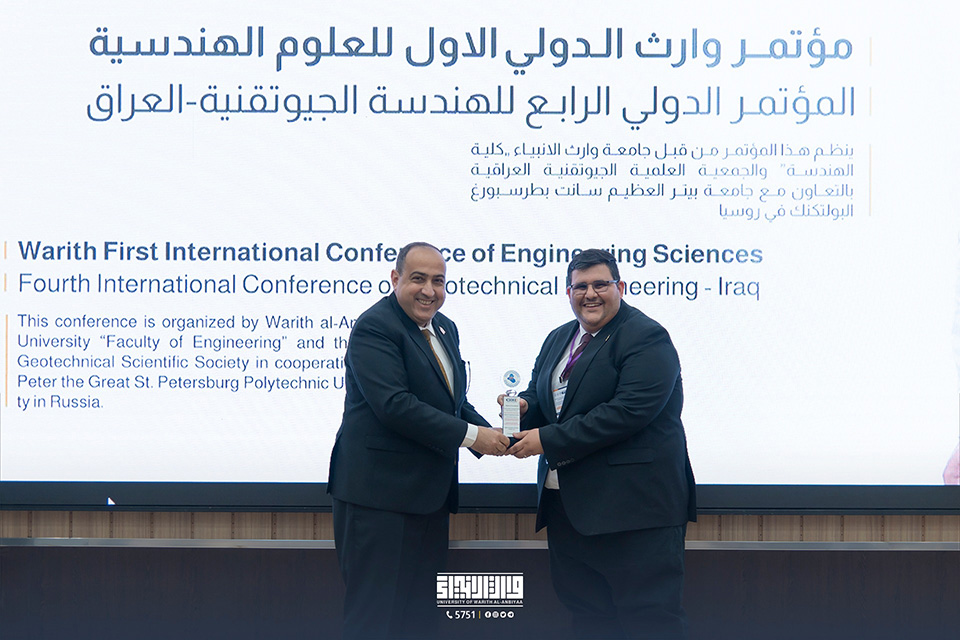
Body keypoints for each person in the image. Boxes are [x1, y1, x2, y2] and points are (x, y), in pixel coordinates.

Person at [503, 248, 697, 639]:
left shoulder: (646, 337)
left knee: (649, 623)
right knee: (589, 621)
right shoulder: (559, 337)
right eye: (580, 287)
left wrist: (547, 439)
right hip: (570, 511)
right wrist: (524, 407)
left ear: (620, 287)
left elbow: (627, 412)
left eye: (600, 285)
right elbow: (547, 398)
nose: (589, 294)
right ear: (568, 293)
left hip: (634, 514)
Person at [328, 241, 510, 640]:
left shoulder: (444, 328)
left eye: (438, 281)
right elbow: (395, 406)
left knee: (420, 620)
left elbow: (451, 402)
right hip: (380, 502)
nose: (429, 290)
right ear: (395, 278)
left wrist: (495, 437)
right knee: (375, 622)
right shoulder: (375, 326)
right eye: (418, 279)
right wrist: (474, 437)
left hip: (428, 500)